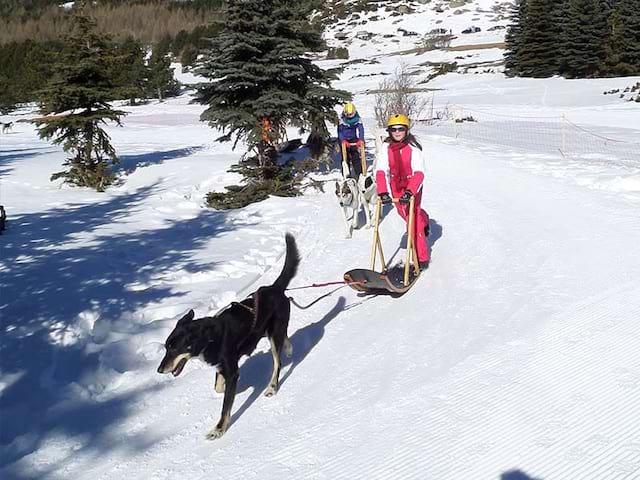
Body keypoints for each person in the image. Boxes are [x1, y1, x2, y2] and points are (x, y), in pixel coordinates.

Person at [375, 113, 430, 270]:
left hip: (413, 186)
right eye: (393, 129)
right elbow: (380, 170)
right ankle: (424, 219)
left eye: (400, 129)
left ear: (406, 130)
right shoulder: (386, 148)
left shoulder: (413, 149)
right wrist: (382, 191)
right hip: (396, 187)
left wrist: (410, 192)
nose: (397, 132)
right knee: (405, 215)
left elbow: (419, 173)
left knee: (413, 222)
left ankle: (421, 257)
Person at [337, 102, 365, 178]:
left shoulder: (358, 119)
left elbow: (361, 129)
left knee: (355, 156)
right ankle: (346, 174)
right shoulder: (341, 120)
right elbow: (340, 131)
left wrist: (361, 139)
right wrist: (343, 140)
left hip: (353, 138)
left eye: (351, 114)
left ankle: (359, 174)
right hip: (343, 139)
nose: (349, 116)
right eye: (347, 114)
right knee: (345, 158)